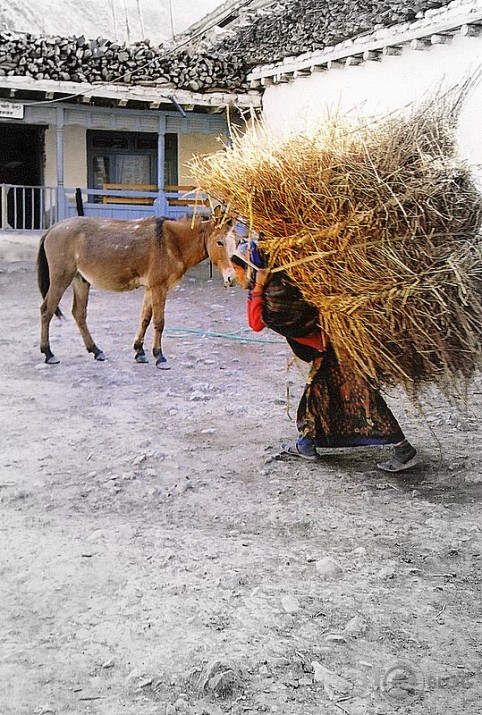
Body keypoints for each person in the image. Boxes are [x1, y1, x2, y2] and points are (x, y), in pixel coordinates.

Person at [230, 241, 418, 472]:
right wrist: (257, 289)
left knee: (365, 399)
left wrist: (257, 289)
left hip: (338, 347)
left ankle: (403, 449)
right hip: (328, 350)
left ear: (253, 269)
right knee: (316, 398)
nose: (235, 276)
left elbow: (256, 323)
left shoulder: (281, 295)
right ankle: (306, 444)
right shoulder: (274, 290)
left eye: (238, 270)